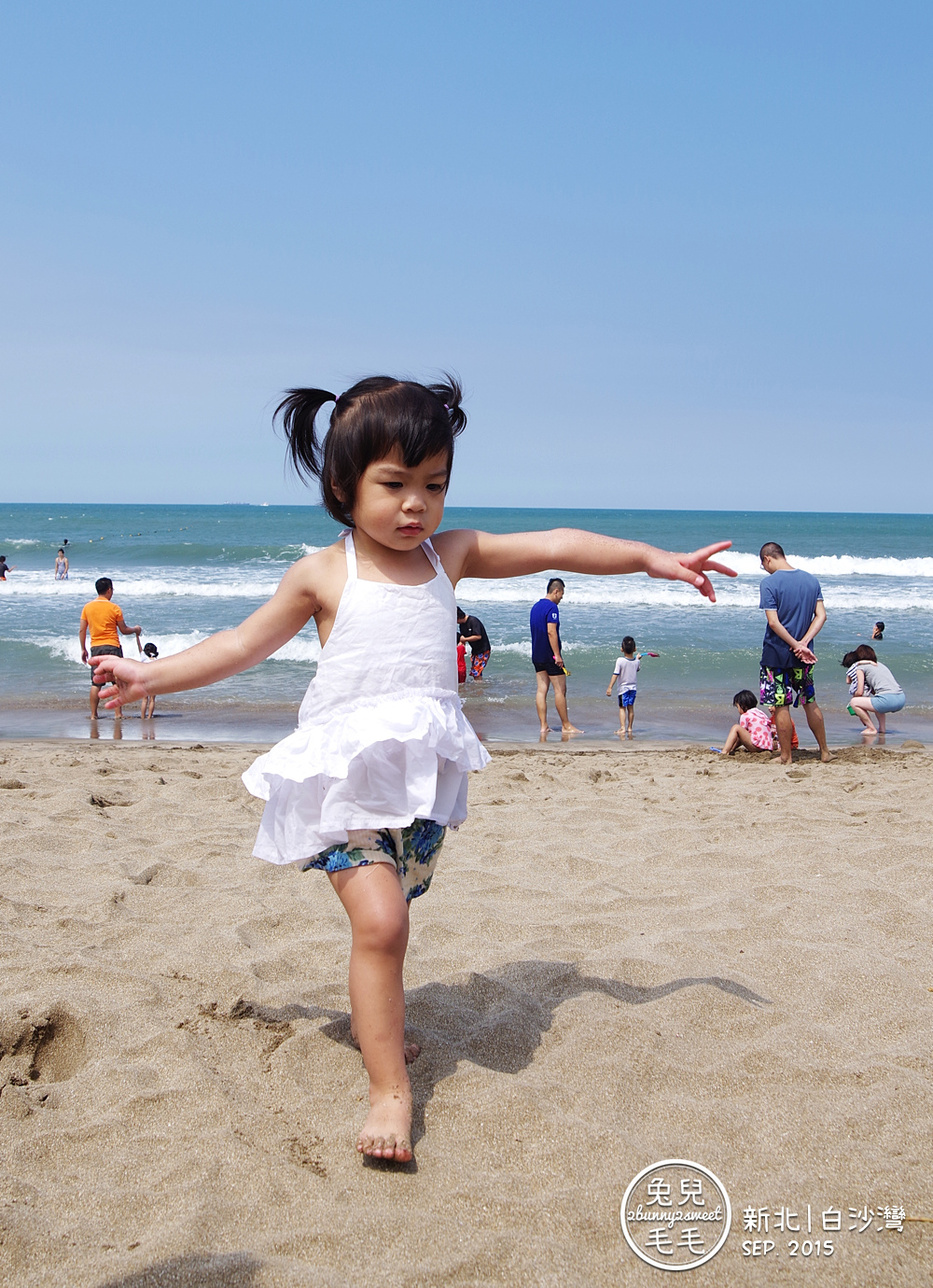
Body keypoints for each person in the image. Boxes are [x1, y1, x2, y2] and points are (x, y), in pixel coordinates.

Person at [90, 374, 735, 1164]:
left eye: (433, 485)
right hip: (342, 783)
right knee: (382, 922)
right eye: (393, 485)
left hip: (418, 786)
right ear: (342, 484)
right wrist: (147, 675)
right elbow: (240, 645)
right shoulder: (323, 574)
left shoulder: (449, 556)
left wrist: (649, 558)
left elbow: (558, 545)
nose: (414, 506)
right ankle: (389, 1091)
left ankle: (379, 1027)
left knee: (394, 920)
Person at [758, 542, 832, 764]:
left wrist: (794, 644)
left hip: (776, 654)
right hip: (805, 655)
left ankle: (786, 756)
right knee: (810, 701)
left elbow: (773, 622)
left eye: (764, 565)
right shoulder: (811, 580)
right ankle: (825, 751)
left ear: (768, 558)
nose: (765, 569)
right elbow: (821, 616)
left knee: (781, 704)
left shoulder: (769, 583)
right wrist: (804, 643)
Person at [79, 578, 142, 720]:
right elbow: (124, 630)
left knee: (96, 683)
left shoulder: (87, 607)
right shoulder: (114, 608)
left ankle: (94, 714)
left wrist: (83, 649)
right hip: (112, 647)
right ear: (109, 590)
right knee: (116, 682)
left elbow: (82, 630)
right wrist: (136, 629)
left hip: (96, 648)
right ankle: (118, 714)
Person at [530, 578, 580, 740]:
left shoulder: (535, 607)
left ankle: (543, 726)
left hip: (537, 654)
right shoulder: (552, 607)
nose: (561, 599)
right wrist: (557, 655)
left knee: (541, 690)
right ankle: (566, 725)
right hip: (549, 654)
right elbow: (551, 632)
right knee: (560, 690)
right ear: (556, 591)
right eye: (561, 595)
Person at [848, 644, 906, 737]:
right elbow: (877, 690)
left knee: (854, 702)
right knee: (877, 699)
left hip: (887, 700)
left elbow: (860, 691)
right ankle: (882, 729)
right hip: (901, 698)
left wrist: (854, 701)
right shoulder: (880, 665)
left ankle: (871, 728)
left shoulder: (860, 668)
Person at [606, 636, 643, 738]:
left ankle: (622, 728)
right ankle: (630, 728)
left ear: (622, 649)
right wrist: (638, 658)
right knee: (631, 708)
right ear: (635, 649)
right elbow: (637, 668)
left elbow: (615, 674)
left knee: (622, 708)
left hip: (623, 689)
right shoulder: (637, 662)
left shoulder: (620, 660)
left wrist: (610, 687)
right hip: (633, 689)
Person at [719, 690, 776, 755]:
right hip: (768, 746)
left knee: (736, 728)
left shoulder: (745, 715)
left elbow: (739, 737)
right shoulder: (761, 713)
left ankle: (724, 751)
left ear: (743, 706)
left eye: (738, 707)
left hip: (757, 746)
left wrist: (731, 748)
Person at [456, 607, 491, 678]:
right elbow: (463, 638)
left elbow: (478, 636)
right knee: (475, 672)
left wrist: (464, 639)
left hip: (483, 650)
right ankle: (478, 687)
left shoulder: (473, 621)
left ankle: (478, 687)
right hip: (475, 651)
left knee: (476, 672)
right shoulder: (462, 625)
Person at [140, 642, 160, 719]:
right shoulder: (156, 660)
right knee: (152, 700)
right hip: (154, 680)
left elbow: (139, 646)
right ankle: (149, 716)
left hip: (144, 679)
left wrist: (137, 636)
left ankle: (142, 717)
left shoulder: (144, 658)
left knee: (144, 699)